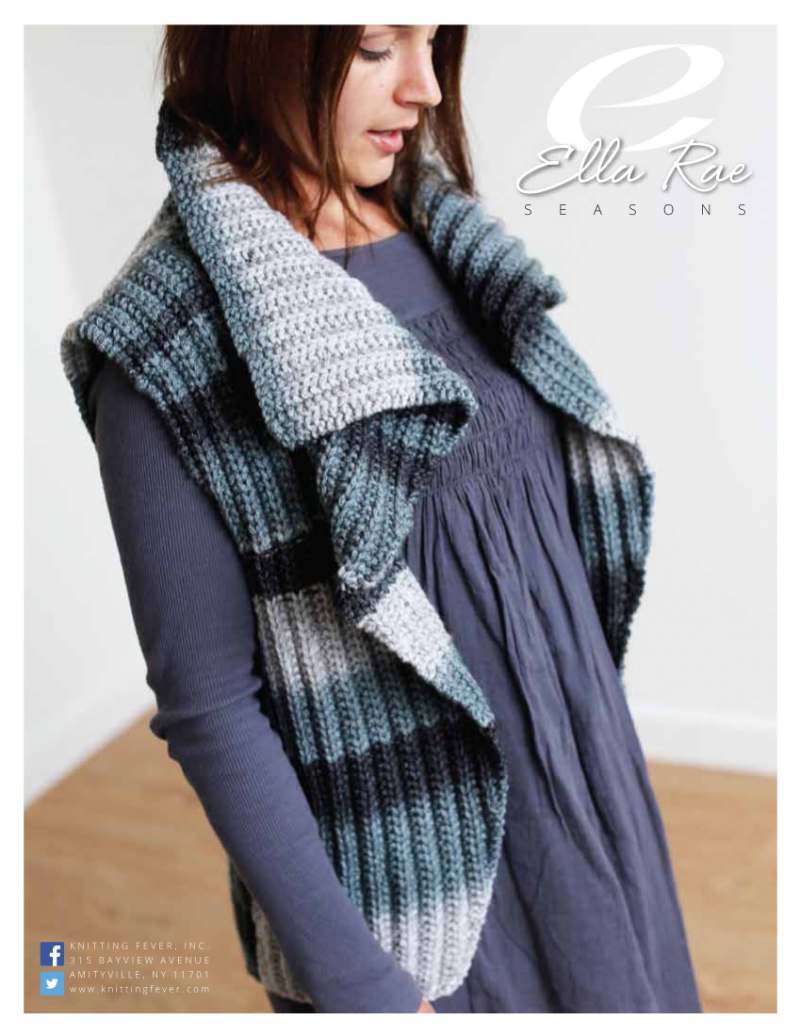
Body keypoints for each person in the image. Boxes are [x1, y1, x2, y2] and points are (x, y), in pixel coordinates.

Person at [61, 25, 703, 1014]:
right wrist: (363, 988)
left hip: (577, 772)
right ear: (257, 41)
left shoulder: (437, 222)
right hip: (417, 883)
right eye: (374, 46)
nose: (425, 89)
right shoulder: (166, 344)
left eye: (432, 40)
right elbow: (210, 707)